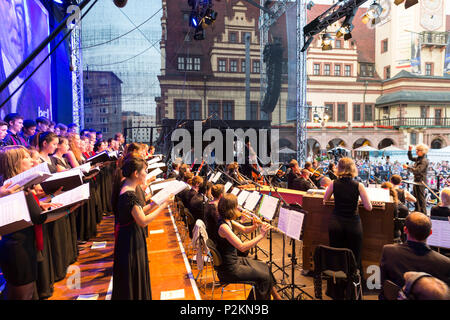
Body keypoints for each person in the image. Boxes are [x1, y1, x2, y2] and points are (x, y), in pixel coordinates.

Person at [111, 156, 172, 300]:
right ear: (136, 174)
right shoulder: (128, 194)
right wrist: (163, 206)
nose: (146, 173)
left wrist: (156, 202)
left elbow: (139, 210)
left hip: (129, 237)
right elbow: (143, 221)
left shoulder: (128, 187)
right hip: (129, 241)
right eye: (144, 170)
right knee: (132, 275)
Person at [215, 193, 282, 300]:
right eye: (236, 206)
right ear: (231, 208)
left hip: (234, 260)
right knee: (263, 277)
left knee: (265, 267)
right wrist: (261, 235)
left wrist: (255, 225)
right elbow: (242, 247)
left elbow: (245, 230)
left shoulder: (228, 220)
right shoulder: (223, 227)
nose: (238, 207)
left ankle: (276, 297)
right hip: (229, 268)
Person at [379, 212, 450, 299]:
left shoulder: (388, 251)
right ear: (430, 233)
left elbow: (383, 284)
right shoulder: (445, 263)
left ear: (405, 230)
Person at [323, 157, 372, 274]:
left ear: (339, 168)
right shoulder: (358, 185)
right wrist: (357, 201)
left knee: (336, 253)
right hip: (353, 224)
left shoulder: (333, 184)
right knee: (354, 255)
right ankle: (353, 285)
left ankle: (335, 287)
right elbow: (368, 207)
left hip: (336, 223)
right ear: (353, 168)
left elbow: (325, 200)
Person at [403, 144, 429, 214]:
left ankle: (423, 213)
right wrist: (409, 150)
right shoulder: (419, 158)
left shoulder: (424, 161)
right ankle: (417, 210)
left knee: (421, 198)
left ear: (423, 151)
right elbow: (410, 158)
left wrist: (408, 167)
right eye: (416, 150)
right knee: (416, 196)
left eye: (418, 150)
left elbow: (418, 170)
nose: (416, 151)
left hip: (421, 181)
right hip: (416, 180)